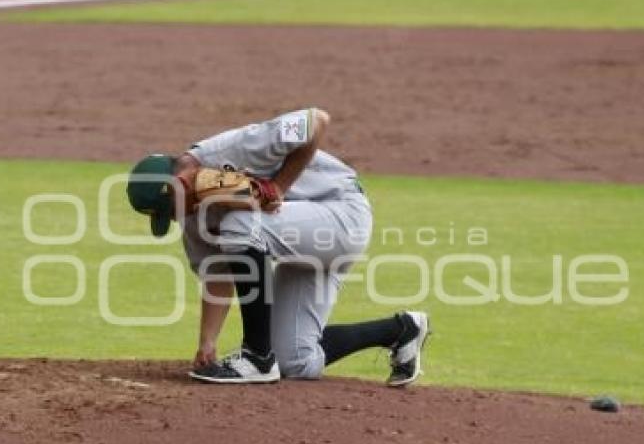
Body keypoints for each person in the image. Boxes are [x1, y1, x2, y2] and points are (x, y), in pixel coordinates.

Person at [126, 107, 430, 385]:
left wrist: (279, 186)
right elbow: (217, 275)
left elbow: (316, 121)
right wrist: (207, 343)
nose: (178, 217)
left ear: (178, 182)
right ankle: (401, 330)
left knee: (239, 224)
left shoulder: (233, 149)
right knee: (294, 360)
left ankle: (257, 356)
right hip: (303, 243)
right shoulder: (193, 216)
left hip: (341, 213)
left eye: (171, 209)